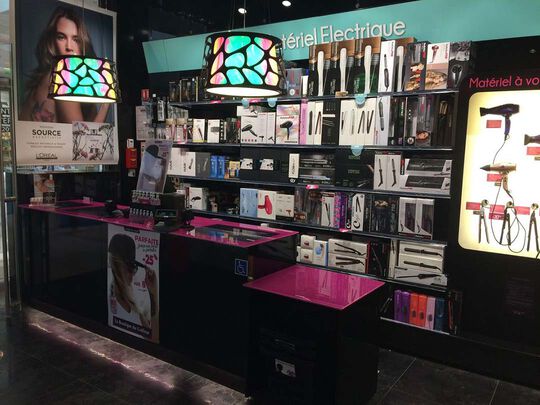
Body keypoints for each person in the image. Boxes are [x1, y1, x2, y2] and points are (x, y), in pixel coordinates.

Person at [20, 6, 110, 123]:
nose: (69, 47)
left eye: (75, 39)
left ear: (83, 43)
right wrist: (106, 104)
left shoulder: (75, 81)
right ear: (52, 41)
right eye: (61, 37)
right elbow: (82, 134)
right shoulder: (62, 77)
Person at [108, 234, 159, 341]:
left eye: (134, 268)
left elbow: (153, 338)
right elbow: (154, 338)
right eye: (129, 269)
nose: (131, 276)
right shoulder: (121, 297)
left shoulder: (132, 303)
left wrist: (153, 293)